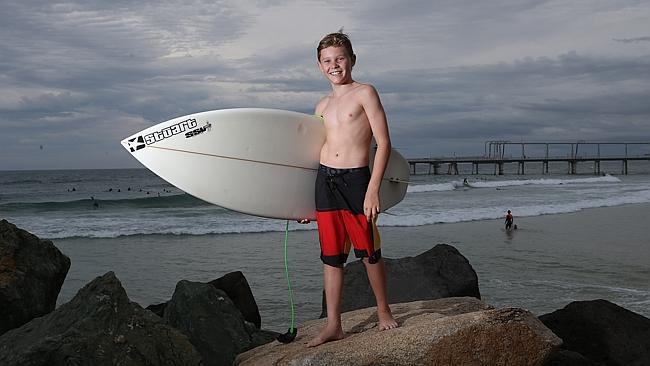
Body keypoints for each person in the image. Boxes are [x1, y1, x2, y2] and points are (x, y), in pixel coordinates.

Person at [305, 31, 398, 347]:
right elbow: (309, 154)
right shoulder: (321, 105)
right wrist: (301, 205)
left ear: (352, 60)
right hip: (324, 181)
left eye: (340, 58)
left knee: (369, 252)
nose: (335, 65)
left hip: (356, 179)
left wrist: (373, 189)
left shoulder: (365, 93)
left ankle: (383, 310)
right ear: (320, 66)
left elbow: (383, 144)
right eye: (328, 61)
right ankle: (334, 325)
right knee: (331, 258)